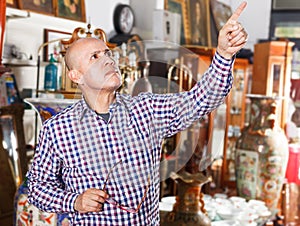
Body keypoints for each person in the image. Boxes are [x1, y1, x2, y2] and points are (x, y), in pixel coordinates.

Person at [27, 2, 248, 225]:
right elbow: (37, 189)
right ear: (76, 76)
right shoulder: (58, 129)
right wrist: (75, 201)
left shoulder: (146, 110)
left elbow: (200, 100)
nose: (107, 60)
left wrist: (223, 55)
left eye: (107, 53)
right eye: (95, 57)